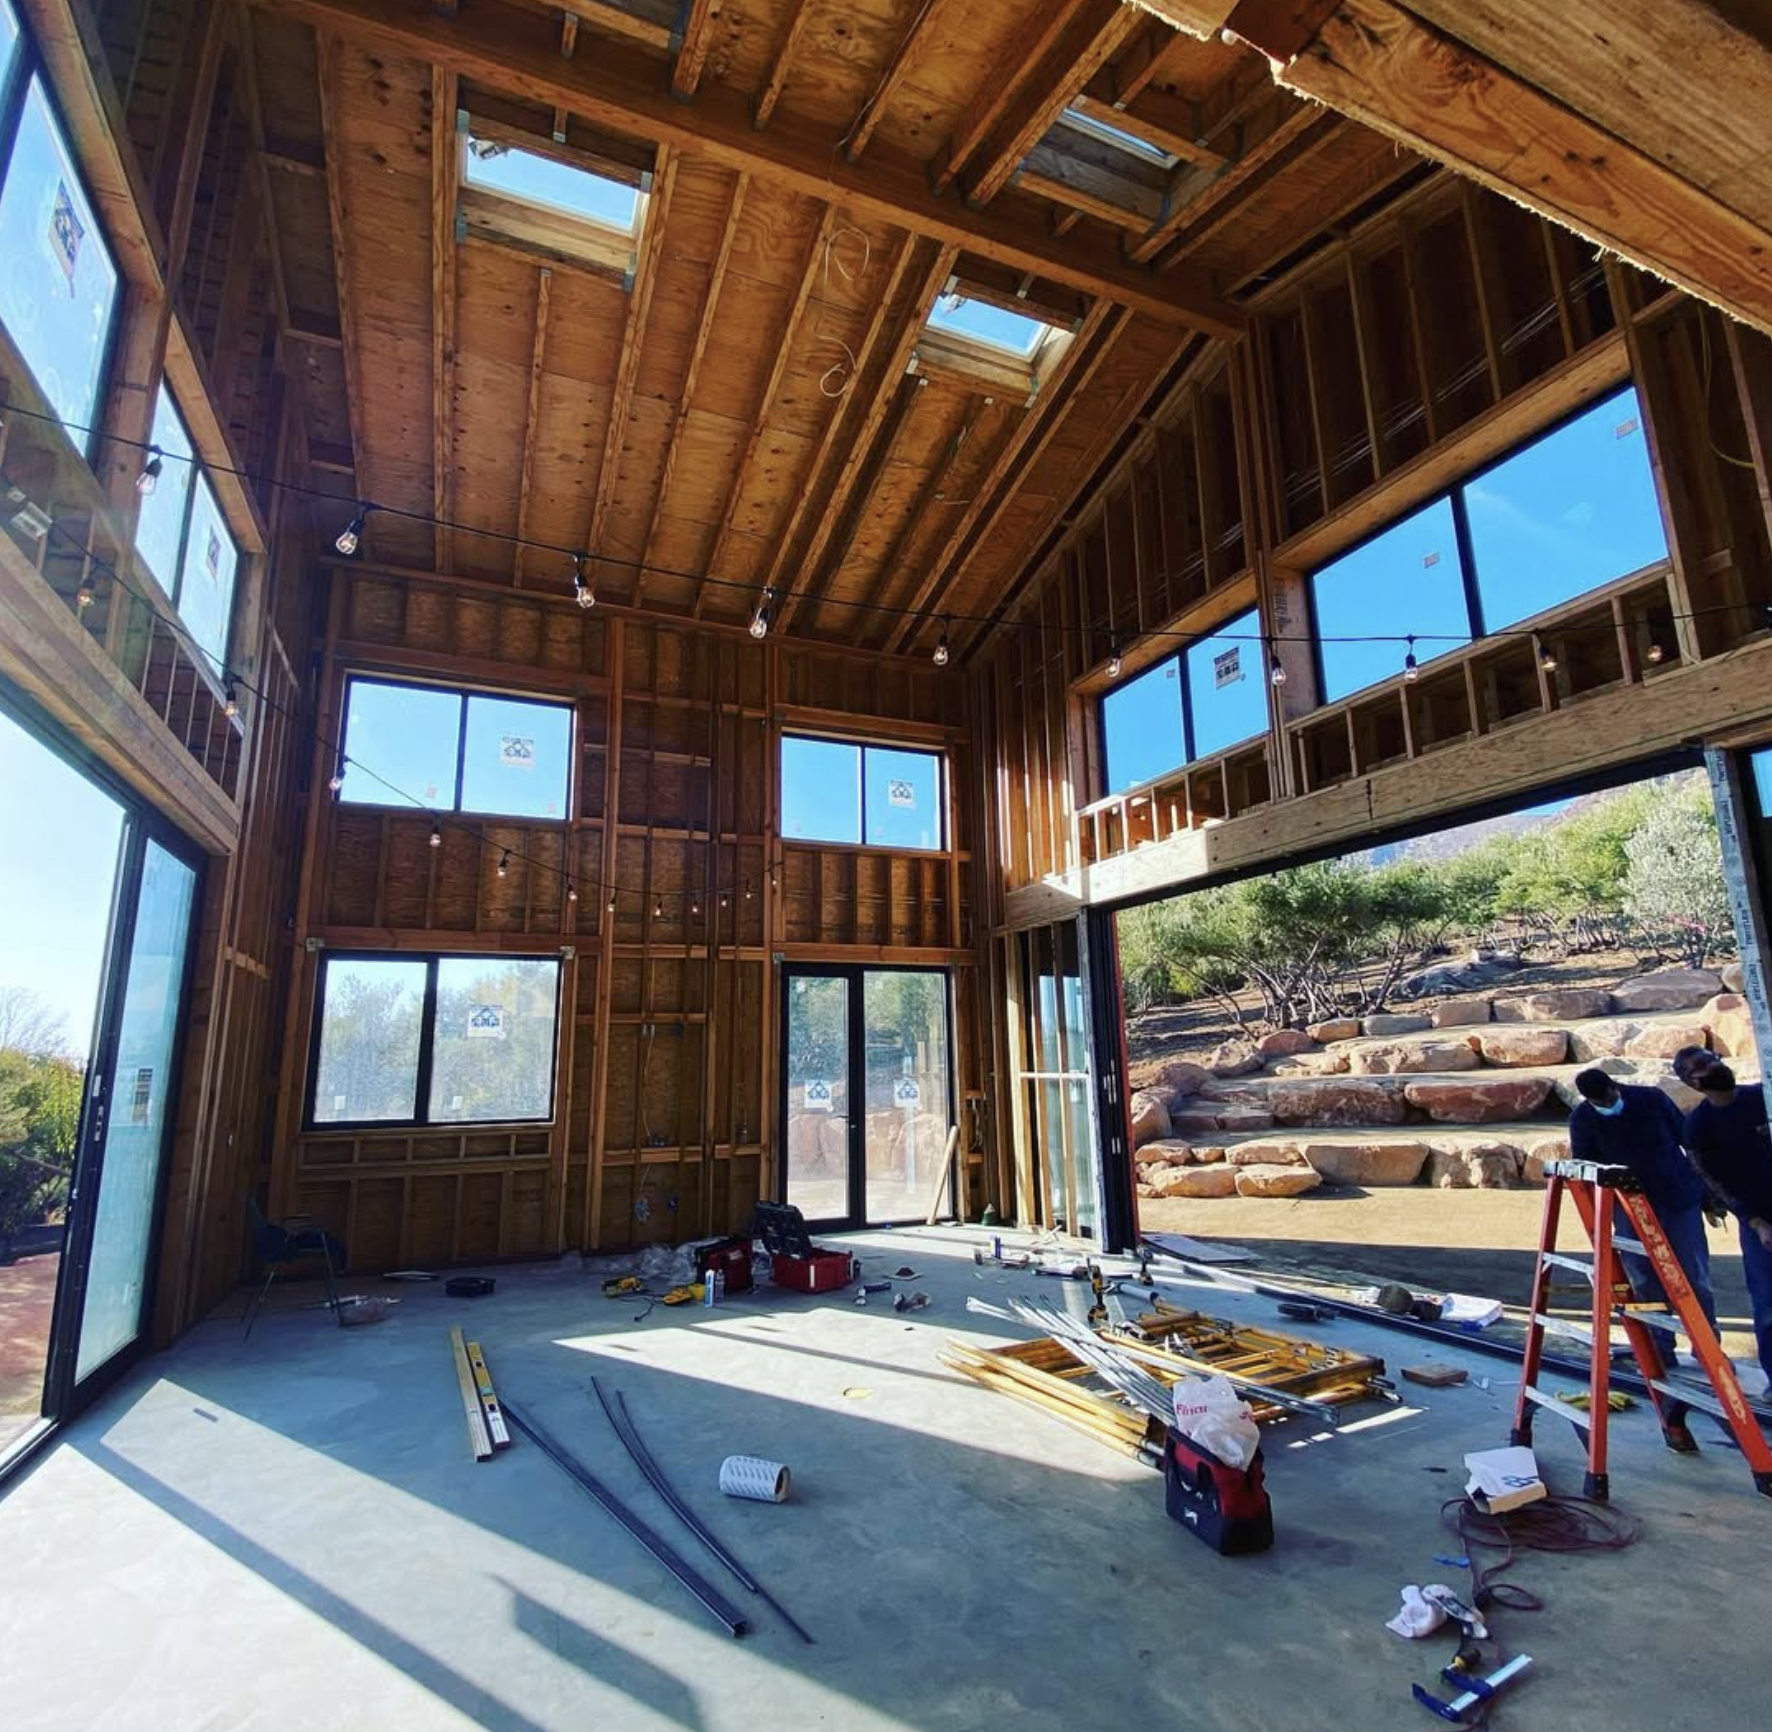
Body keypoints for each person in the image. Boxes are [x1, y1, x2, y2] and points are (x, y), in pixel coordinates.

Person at [1568, 1068, 1718, 1342]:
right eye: (1600, 1104)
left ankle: (1708, 1345)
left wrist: (1708, 1195)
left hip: (1677, 1196)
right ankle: (1660, 1346)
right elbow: (1586, 1166)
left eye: (1609, 1099)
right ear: (1589, 1101)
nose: (1607, 1106)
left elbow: (1689, 1142)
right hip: (1628, 1205)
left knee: (1694, 1277)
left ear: (1616, 1085)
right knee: (1643, 1280)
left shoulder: (1651, 1099)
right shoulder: (1583, 1119)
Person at [1682, 1063, 1772, 1394]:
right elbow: (1713, 1181)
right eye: (1703, 1069)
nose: (1715, 1069)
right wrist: (1755, 1221)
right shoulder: (1699, 1126)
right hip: (1760, 1220)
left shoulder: (1760, 1097)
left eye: (1712, 1061)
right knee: (1768, 1304)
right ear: (1693, 1084)